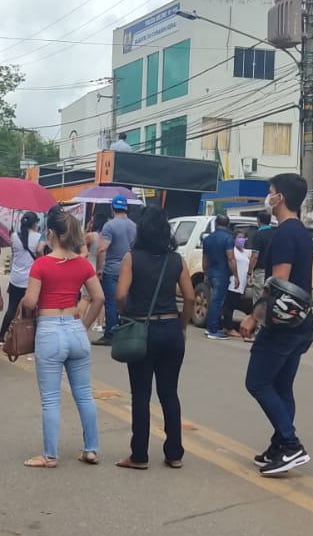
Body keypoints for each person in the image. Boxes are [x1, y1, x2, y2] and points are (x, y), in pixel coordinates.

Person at [238, 174, 313, 477]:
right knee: (282, 387)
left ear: (280, 197)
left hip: (282, 326)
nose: (267, 197)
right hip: (301, 324)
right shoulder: (301, 234)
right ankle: (280, 446)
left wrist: (252, 317)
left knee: (256, 382)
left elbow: (278, 284)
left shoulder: (283, 235)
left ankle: (292, 445)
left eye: (270, 192)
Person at [22, 205, 103, 468]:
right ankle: (91, 449)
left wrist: (25, 298)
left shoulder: (41, 265)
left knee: (51, 398)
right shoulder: (82, 264)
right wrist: (84, 326)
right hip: (75, 330)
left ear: (51, 234)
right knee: (84, 394)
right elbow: (99, 297)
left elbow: (31, 302)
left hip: (49, 332)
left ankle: (50, 455)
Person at [115, 206, 194, 470]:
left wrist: (128, 313)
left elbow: (120, 295)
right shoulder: (176, 260)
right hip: (171, 329)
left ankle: (139, 456)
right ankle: (174, 453)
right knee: (170, 394)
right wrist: (182, 325)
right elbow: (191, 297)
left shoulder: (132, 258)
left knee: (141, 395)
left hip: (142, 330)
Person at [92, 198, 136, 347]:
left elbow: (102, 248)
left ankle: (111, 334)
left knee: (111, 302)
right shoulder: (134, 226)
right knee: (128, 300)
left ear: (113, 208)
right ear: (126, 208)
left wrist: (99, 268)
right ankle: (128, 331)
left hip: (112, 269)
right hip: (130, 268)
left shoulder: (109, 226)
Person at [0, 212, 42, 345]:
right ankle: (27, 338)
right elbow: (40, 253)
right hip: (30, 280)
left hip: (15, 278)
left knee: (11, 308)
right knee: (30, 309)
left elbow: (14, 252)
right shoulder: (39, 238)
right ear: (34, 224)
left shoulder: (14, 236)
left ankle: (1, 336)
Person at [201, 215, 235, 339]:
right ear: (228, 224)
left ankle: (210, 327)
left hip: (212, 273)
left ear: (216, 223)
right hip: (222, 274)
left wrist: (206, 273)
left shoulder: (208, 239)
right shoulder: (228, 239)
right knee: (217, 302)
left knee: (214, 301)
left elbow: (205, 259)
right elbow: (231, 258)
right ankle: (213, 330)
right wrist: (236, 275)